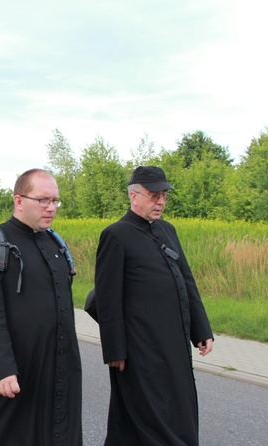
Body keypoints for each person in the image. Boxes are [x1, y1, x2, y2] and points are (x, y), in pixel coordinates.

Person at [0, 168, 83, 445]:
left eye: (55, 201)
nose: (51, 208)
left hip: (56, 367)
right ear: (18, 201)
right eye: (43, 200)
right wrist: (0, 368)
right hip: (10, 370)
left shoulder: (55, 244)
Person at [94, 166, 214, 445]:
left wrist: (201, 329)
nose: (160, 202)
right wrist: (115, 350)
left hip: (174, 345)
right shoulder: (116, 235)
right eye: (153, 196)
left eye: (163, 196)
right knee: (146, 420)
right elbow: (107, 298)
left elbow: (186, 280)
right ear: (134, 197)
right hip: (139, 351)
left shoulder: (167, 230)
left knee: (179, 411)